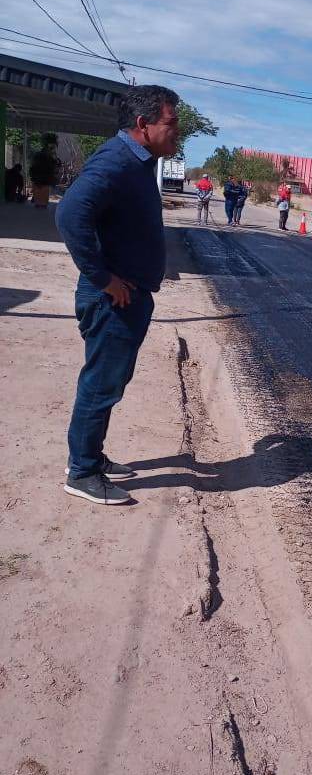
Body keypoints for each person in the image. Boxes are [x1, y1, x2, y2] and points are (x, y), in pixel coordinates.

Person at [56, 84, 180, 504]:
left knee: (109, 380)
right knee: (101, 383)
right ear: (143, 125)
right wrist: (102, 277)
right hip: (113, 299)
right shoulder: (116, 161)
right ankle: (82, 472)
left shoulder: (138, 161)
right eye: (172, 123)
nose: (176, 132)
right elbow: (70, 215)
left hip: (126, 296)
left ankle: (90, 455)